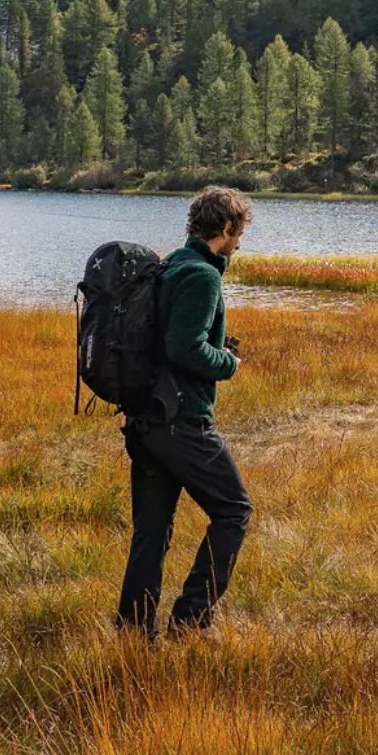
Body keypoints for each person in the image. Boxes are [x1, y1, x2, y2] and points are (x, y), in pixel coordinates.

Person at [115, 186, 255, 639]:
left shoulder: (172, 263)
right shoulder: (202, 276)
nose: (241, 242)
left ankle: (134, 632)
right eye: (240, 232)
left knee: (151, 533)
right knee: (234, 510)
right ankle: (191, 620)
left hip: (146, 420)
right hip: (181, 421)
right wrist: (228, 363)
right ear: (226, 228)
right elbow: (184, 347)